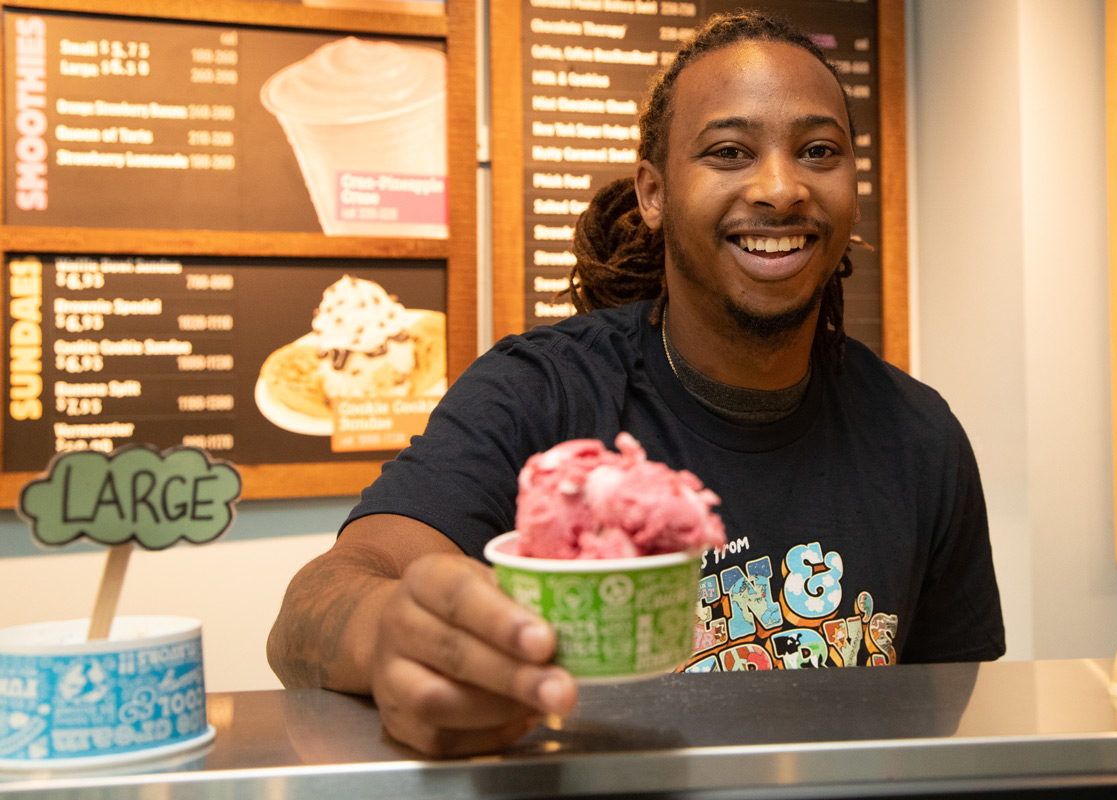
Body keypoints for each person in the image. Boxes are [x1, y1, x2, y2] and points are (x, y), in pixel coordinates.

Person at [267, 10, 1005, 758]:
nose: (782, 188)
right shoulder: (539, 395)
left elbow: (946, 725)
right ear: (653, 192)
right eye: (728, 152)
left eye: (819, 151)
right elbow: (311, 612)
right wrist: (389, 634)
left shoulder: (920, 438)